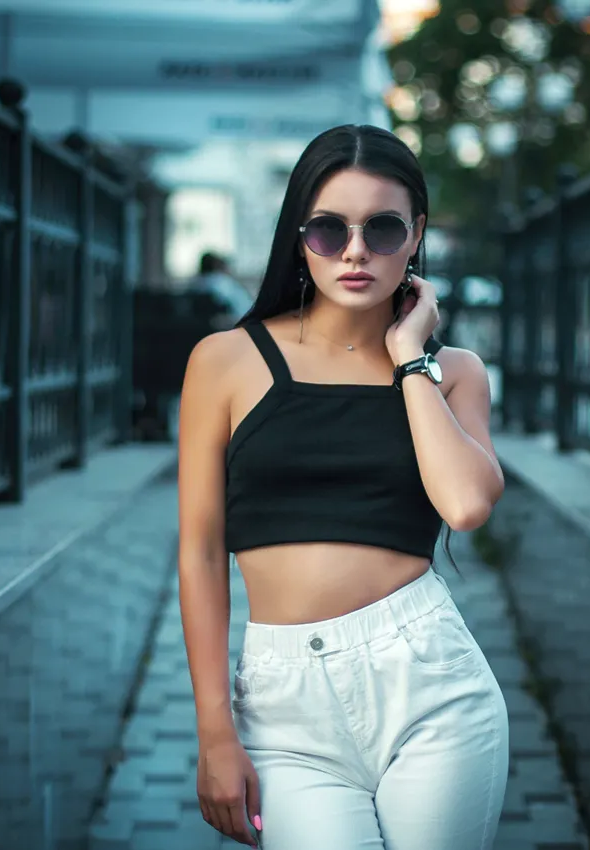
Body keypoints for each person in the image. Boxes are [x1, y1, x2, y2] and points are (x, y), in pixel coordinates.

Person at [176, 124, 509, 850]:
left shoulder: (454, 371)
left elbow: (466, 505)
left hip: (432, 687)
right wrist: (213, 732)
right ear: (300, 236)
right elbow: (200, 554)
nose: (355, 250)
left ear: (415, 235)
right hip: (284, 705)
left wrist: (408, 357)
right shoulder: (227, 361)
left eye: (382, 228)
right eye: (330, 229)